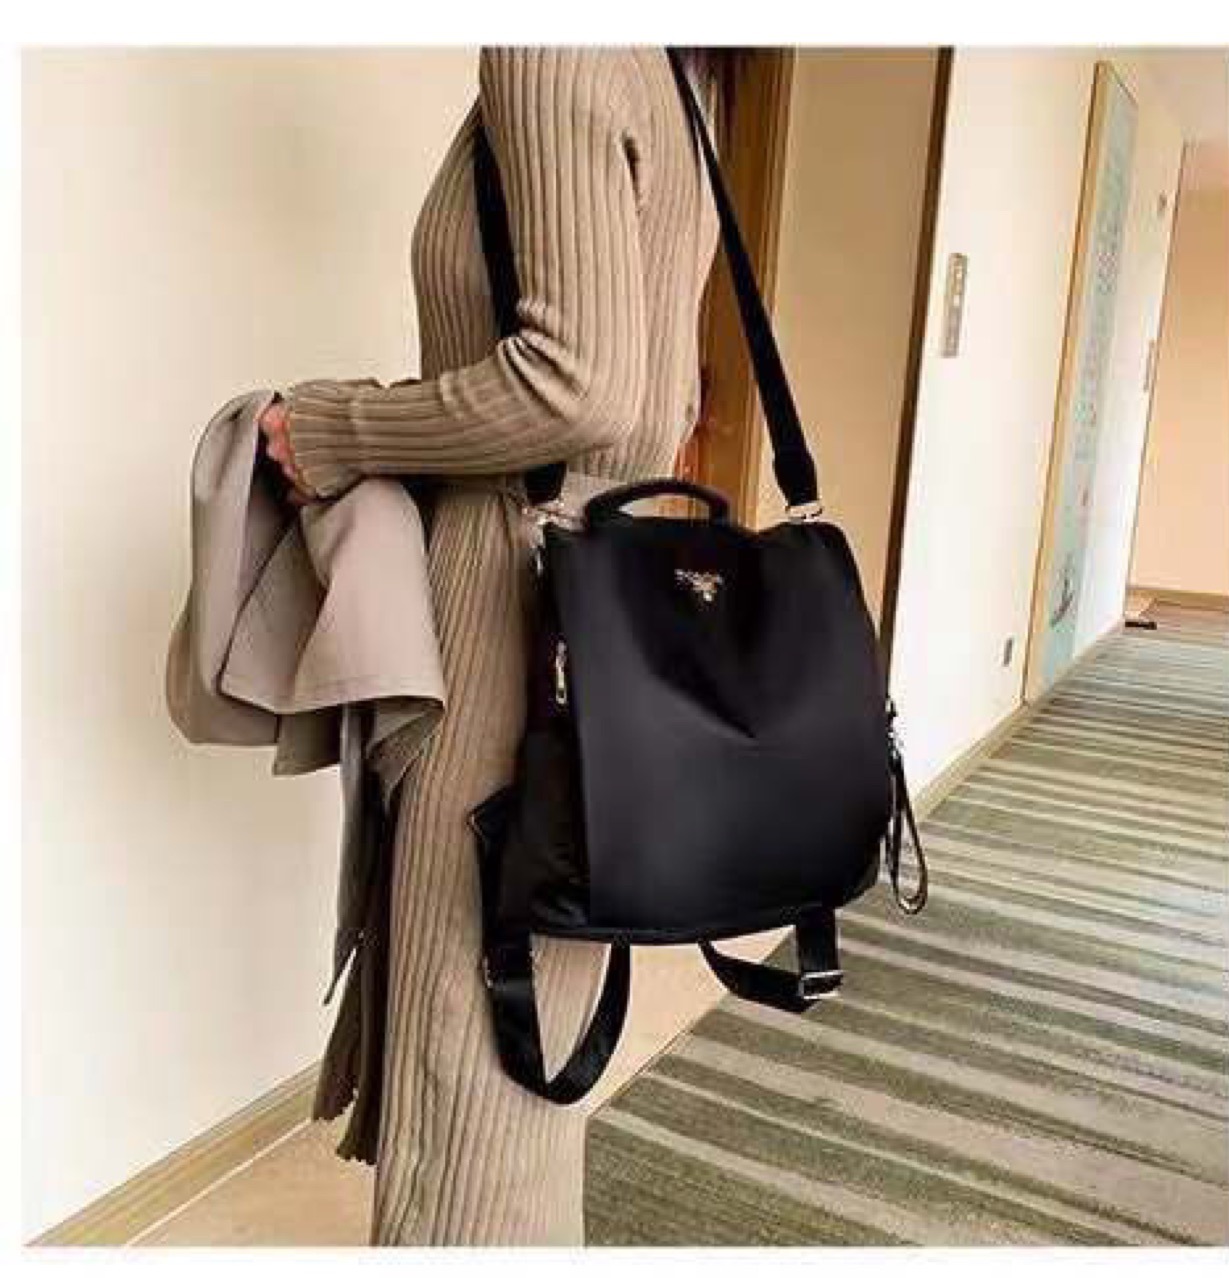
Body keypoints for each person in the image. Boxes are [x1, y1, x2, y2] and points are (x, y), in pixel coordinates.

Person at [260, 46, 720, 1245]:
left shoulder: (553, 42)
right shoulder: (675, 73)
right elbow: (653, 395)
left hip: (515, 613)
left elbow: (577, 387)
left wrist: (335, 427)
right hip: (603, 614)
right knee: (519, 1066)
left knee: (464, 1073)